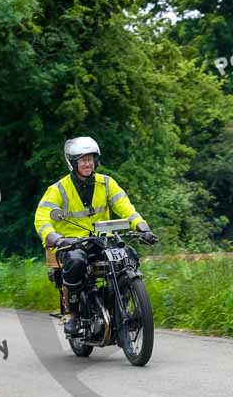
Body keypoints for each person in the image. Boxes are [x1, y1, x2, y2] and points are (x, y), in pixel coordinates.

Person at [34, 136, 157, 335]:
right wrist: (57, 238)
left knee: (130, 255)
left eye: (90, 158)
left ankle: (121, 304)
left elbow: (127, 208)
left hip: (103, 241)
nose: (87, 163)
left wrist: (143, 228)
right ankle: (72, 313)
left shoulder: (107, 184)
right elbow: (41, 219)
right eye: (82, 159)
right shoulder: (58, 189)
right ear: (73, 163)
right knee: (75, 262)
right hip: (72, 244)